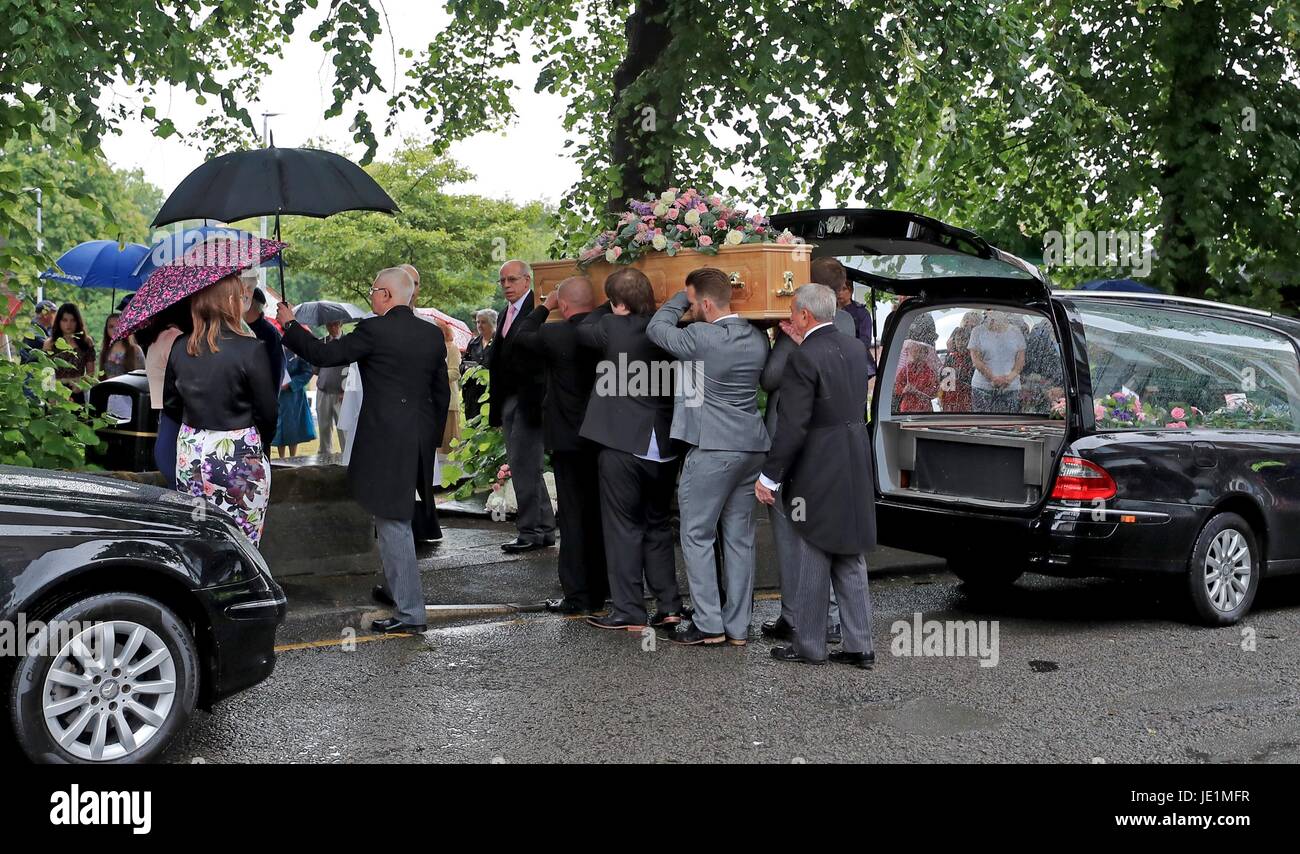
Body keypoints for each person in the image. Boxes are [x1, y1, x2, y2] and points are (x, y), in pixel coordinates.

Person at [277, 267, 450, 634]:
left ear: (386, 295)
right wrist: (429, 438)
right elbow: (440, 392)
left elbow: (323, 355)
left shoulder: (374, 331)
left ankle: (410, 611)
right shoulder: (431, 334)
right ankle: (398, 594)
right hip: (417, 436)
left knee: (392, 522)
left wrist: (290, 325)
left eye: (374, 290)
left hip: (386, 438)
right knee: (396, 518)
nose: (370, 297)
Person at [646, 268, 770, 646]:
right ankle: (738, 627)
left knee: (697, 535)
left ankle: (709, 625)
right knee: (739, 539)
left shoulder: (699, 336)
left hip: (713, 449)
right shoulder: (757, 336)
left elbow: (656, 327)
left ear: (703, 302)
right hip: (751, 447)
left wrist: (678, 297)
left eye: (694, 301)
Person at [755, 283, 876, 669]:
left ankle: (810, 644)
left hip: (820, 460)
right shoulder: (856, 348)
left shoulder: (804, 357)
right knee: (850, 550)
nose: (790, 318)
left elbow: (792, 425)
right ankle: (860, 645)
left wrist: (769, 477)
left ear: (805, 315)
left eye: (793, 312)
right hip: (855, 454)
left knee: (813, 546)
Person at [577, 268, 684, 631]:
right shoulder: (669, 330)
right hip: (666, 444)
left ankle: (629, 610)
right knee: (657, 525)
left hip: (623, 443)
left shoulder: (610, 326)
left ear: (617, 303)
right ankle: (669, 606)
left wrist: (608, 306)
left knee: (623, 528)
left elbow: (581, 328)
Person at [511, 276, 611, 615]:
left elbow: (519, 337)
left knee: (573, 518)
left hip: (569, 440)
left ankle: (578, 596)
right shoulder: (606, 329)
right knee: (602, 515)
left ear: (564, 306)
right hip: (606, 438)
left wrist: (544, 305)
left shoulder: (556, 333)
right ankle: (605, 589)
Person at [164, 274, 278, 546]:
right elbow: (268, 412)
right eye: (241, 296)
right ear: (230, 301)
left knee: (198, 535)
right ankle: (236, 588)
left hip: (191, 452)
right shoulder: (251, 349)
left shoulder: (180, 346)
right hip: (236, 454)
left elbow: (171, 404)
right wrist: (259, 443)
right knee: (242, 541)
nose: (244, 302)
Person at [486, 260, 556, 553]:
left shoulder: (539, 311)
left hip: (531, 400)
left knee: (524, 464)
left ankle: (531, 530)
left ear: (527, 280)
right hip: (509, 398)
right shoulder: (505, 313)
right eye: (502, 281)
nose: (506, 286)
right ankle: (542, 528)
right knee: (524, 465)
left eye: (512, 280)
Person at [137, 302, 191, 488]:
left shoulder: (160, 335)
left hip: (165, 413)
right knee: (179, 480)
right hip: (176, 414)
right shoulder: (174, 337)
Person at [812, 257, 878, 378]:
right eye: (840, 289)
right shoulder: (829, 310)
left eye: (844, 289)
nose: (841, 293)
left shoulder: (861, 313)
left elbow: (865, 341)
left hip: (856, 358)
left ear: (851, 291)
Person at [969, 309, 1027, 413]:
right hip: (982, 387)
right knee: (983, 425)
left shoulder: (1016, 332)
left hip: (1011, 388)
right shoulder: (977, 332)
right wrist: (992, 378)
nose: (993, 315)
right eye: (989, 311)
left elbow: (1020, 360)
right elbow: (976, 360)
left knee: (1011, 424)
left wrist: (1008, 379)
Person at [42, 303, 96, 404]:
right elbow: (46, 373)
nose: (68, 324)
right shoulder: (50, 343)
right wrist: (51, 397)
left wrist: (81, 385)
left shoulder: (86, 341)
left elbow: (91, 372)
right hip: (55, 391)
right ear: (59, 321)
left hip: (77, 390)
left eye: (72, 320)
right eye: (65, 320)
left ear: (78, 321)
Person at [272, 348, 317, 457]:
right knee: (279, 427)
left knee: (293, 425)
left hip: (294, 395)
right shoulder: (274, 350)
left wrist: (291, 384)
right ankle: (280, 458)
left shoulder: (298, 352)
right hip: (277, 394)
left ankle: (293, 457)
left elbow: (308, 371)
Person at [314, 321, 347, 455]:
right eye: (329, 325)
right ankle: (324, 456)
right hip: (323, 390)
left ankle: (347, 457)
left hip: (341, 393)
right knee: (323, 427)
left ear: (341, 324)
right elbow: (315, 368)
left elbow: (354, 369)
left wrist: (347, 391)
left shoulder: (348, 343)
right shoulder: (322, 343)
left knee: (343, 428)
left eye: (335, 325)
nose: (332, 328)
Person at [244, 288, 284, 397]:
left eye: (244, 299)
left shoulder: (270, 333)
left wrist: (272, 403)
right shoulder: (238, 328)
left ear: (250, 303)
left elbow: (277, 369)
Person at [462, 308, 496, 420]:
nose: (479, 325)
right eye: (478, 322)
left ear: (493, 323)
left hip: (491, 394)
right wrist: (467, 368)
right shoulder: (473, 343)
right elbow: (462, 365)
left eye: (483, 322)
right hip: (472, 395)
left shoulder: (500, 342)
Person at [99, 312, 144, 379]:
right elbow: (101, 375)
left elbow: (142, 376)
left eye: (118, 326)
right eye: (111, 327)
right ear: (106, 330)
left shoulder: (135, 349)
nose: (115, 330)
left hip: (128, 388)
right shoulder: (105, 350)